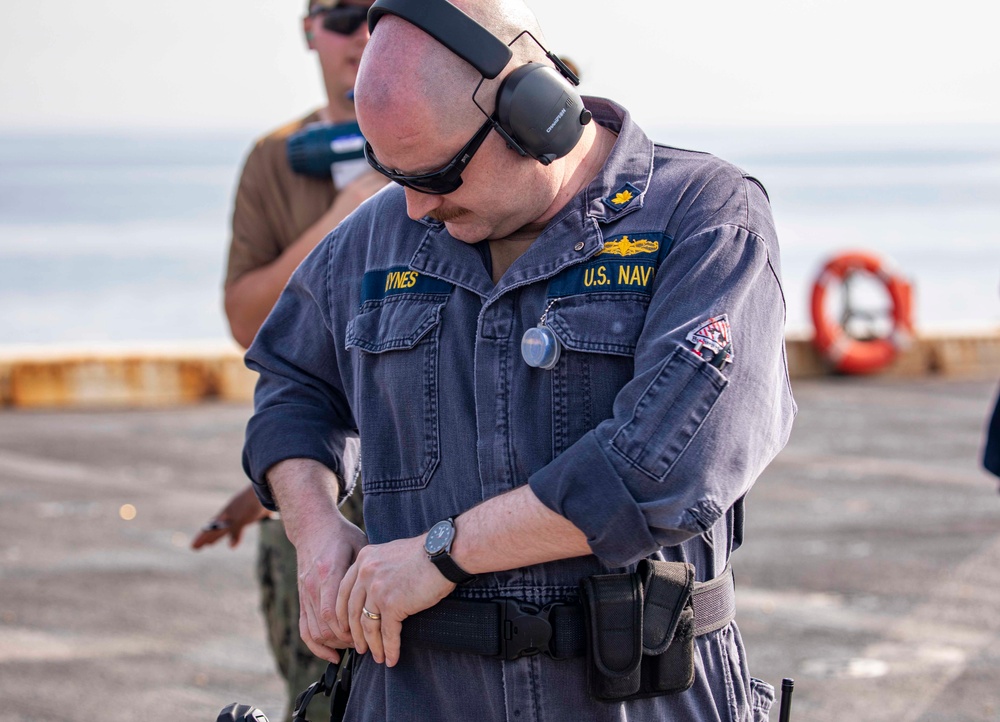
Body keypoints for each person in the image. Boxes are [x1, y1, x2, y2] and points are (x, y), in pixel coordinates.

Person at [241, 0, 797, 719]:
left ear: (537, 117)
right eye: (392, 174)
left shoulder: (707, 217)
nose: (412, 209)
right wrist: (315, 532)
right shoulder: (376, 238)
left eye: (437, 176)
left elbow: (668, 466)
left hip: (637, 695)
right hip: (418, 696)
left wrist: (441, 554)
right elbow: (292, 386)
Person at [192, 1, 385, 720]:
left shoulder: (461, 151)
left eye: (379, 11)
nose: (363, 32)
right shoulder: (278, 161)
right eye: (340, 14)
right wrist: (343, 222)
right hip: (317, 500)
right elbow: (249, 322)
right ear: (307, 29)